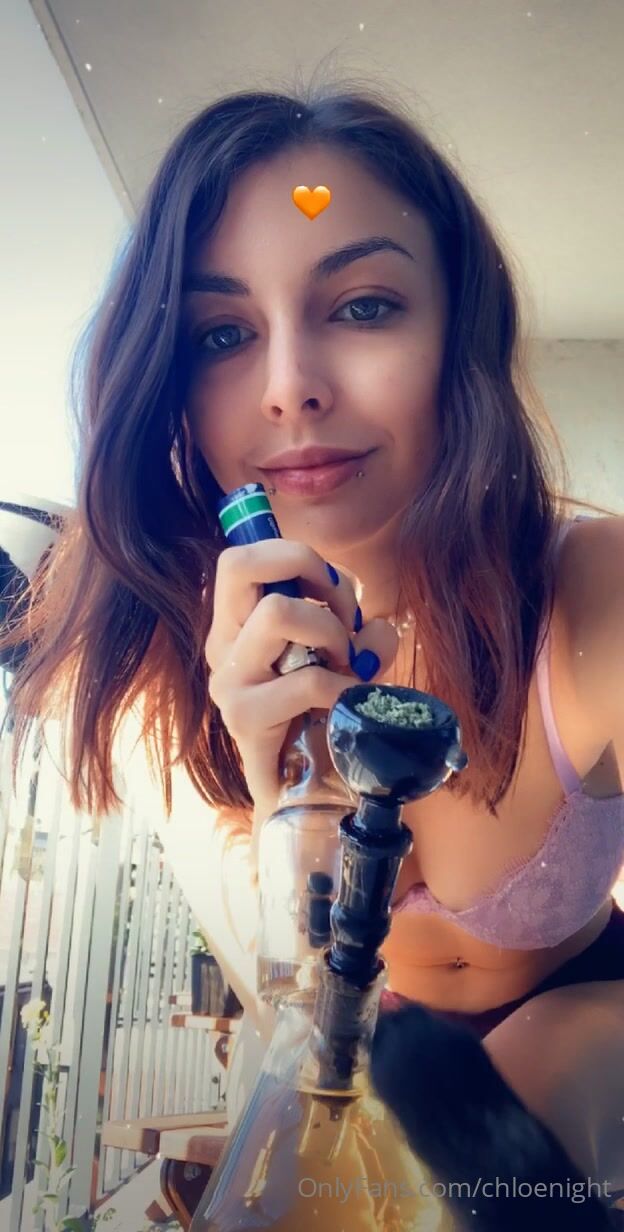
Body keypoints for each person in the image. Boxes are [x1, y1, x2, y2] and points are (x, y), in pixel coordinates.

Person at [2, 78, 624, 1217]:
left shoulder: (590, 592)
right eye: (223, 334)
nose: (290, 388)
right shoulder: (181, 653)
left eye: (364, 305)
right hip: (363, 1060)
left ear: (458, 332)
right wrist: (280, 774)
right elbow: (295, 982)